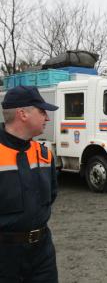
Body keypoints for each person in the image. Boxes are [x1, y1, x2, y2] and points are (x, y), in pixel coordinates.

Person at [0, 86, 59, 282]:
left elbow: (50, 196)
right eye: (42, 111)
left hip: (42, 254)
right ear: (22, 114)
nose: (47, 118)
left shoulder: (44, 155)